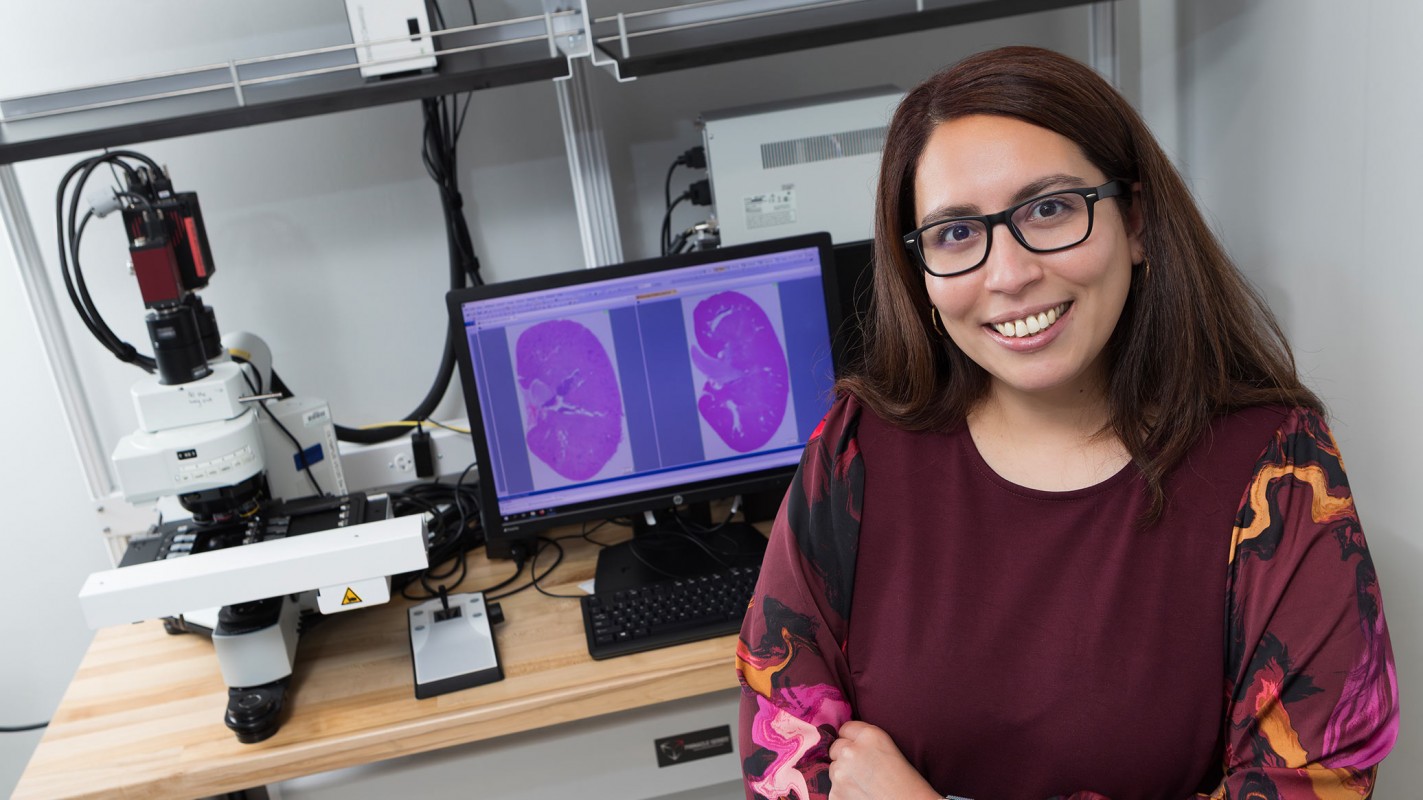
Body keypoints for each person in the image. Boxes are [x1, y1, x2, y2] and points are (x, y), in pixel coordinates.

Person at [735, 45, 1399, 800]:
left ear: (1137, 222)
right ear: (917, 273)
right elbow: (779, 736)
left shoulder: (1278, 469)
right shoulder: (857, 449)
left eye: (1049, 209)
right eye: (955, 233)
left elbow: (1312, 784)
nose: (1009, 274)